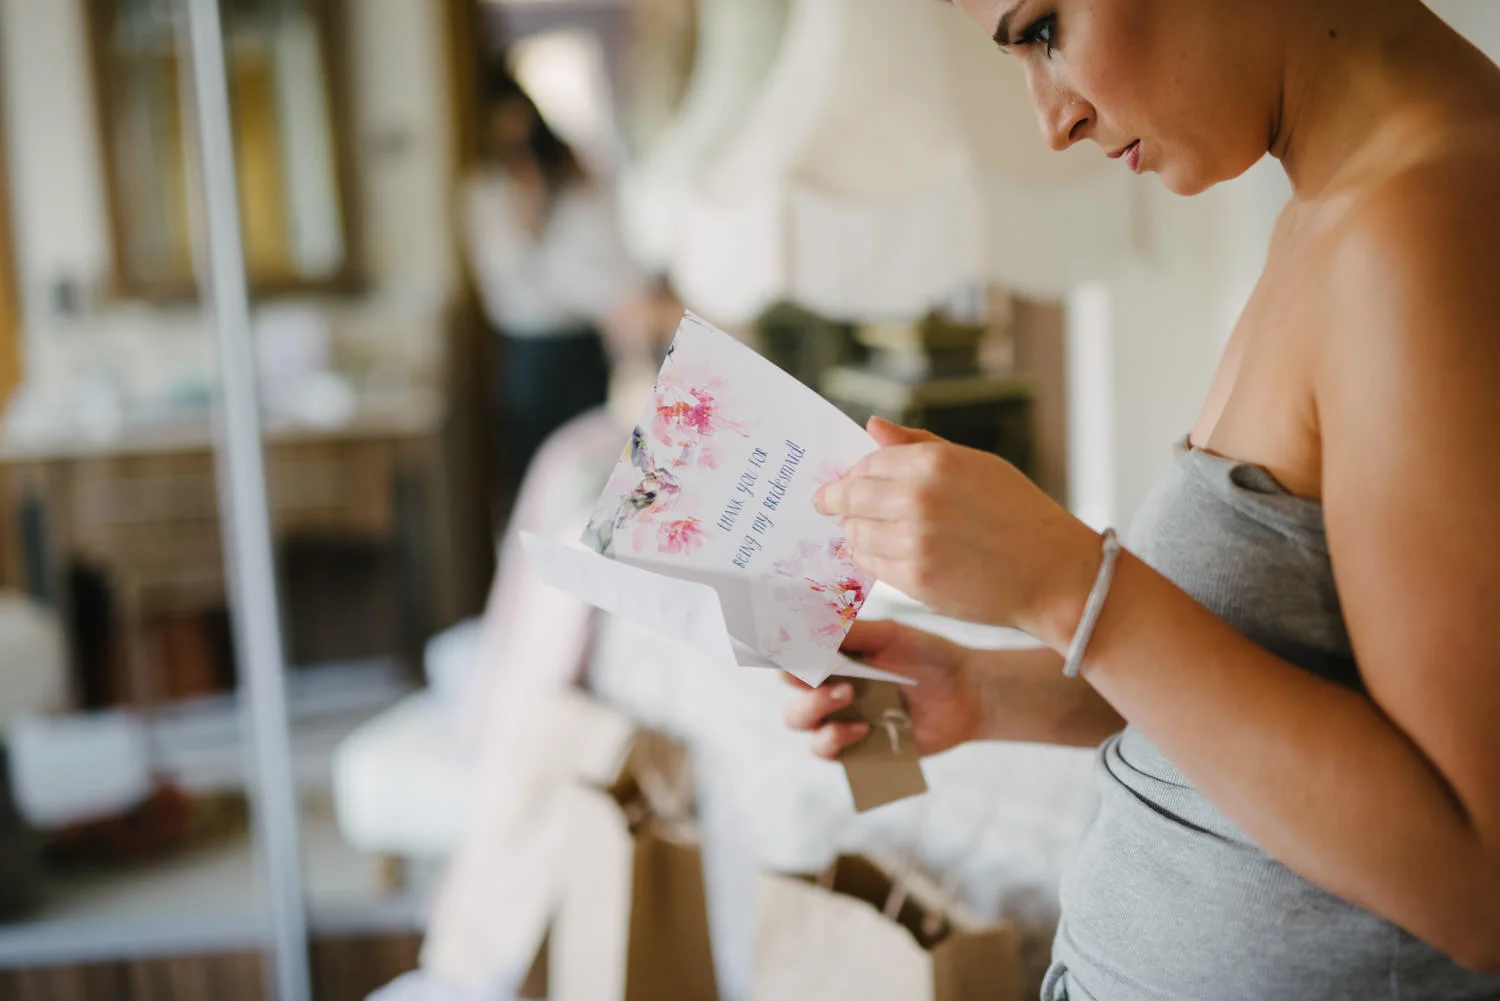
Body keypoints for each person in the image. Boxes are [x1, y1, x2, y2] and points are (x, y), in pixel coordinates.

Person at [784, 2, 1500, 998]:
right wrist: (984, 688)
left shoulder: (1430, 222)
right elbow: (1276, 676)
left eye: (1042, 28)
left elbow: (1477, 877)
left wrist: (1067, 584)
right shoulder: (1338, 205)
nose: (1052, 120)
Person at [462, 65, 640, 485]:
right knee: (537, 465)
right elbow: (504, 277)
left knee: (588, 460)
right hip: (528, 348)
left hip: (581, 340)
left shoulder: (574, 174)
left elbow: (605, 258)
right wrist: (528, 220)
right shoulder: (484, 191)